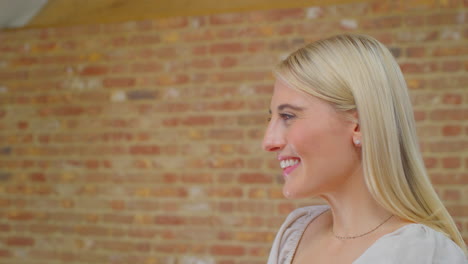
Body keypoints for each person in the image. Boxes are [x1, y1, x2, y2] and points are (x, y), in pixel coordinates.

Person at [263, 34, 467, 263]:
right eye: (270, 119)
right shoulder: (296, 232)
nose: (269, 141)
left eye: (288, 116)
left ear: (358, 125)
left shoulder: (423, 254)